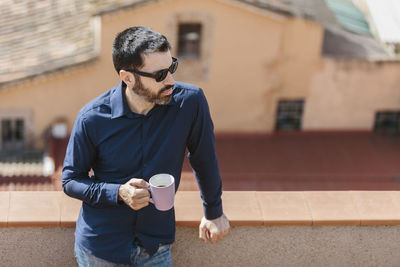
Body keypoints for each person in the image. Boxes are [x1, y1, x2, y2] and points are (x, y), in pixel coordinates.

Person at [62, 26, 230, 266]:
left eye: (171, 67)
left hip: (156, 244)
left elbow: (204, 159)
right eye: (160, 75)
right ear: (128, 78)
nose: (171, 80)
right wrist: (118, 192)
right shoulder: (92, 118)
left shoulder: (191, 103)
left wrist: (214, 212)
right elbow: (70, 180)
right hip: (100, 247)